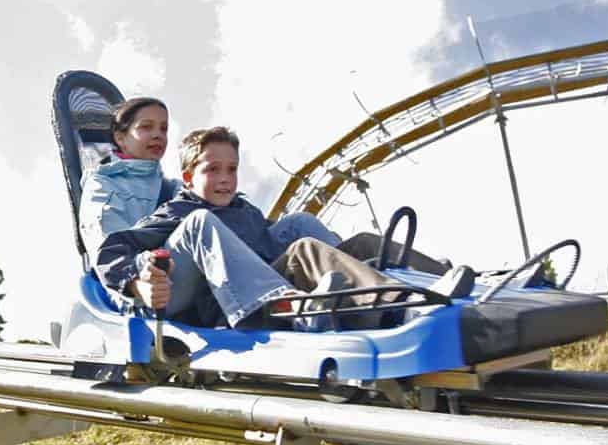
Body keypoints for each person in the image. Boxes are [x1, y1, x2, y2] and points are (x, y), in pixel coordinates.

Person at [95, 126, 414, 330]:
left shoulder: (245, 212)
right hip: (232, 307)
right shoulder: (180, 210)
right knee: (206, 223)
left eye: (232, 169)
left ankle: (428, 284)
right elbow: (111, 250)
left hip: (271, 283)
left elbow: (289, 252)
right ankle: (397, 305)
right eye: (213, 169)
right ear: (190, 178)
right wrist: (137, 280)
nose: (225, 178)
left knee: (305, 227)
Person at [77, 96, 177, 260]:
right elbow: (106, 245)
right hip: (139, 274)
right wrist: (137, 280)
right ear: (120, 138)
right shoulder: (103, 184)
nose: (158, 135)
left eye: (163, 129)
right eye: (146, 127)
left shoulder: (175, 188)